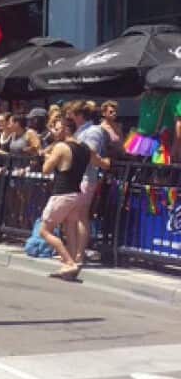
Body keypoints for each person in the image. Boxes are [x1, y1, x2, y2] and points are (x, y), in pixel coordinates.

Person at [38, 113, 90, 281]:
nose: (54, 131)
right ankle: (73, 265)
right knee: (70, 229)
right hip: (77, 193)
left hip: (62, 193)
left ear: (67, 129)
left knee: (45, 231)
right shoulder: (84, 148)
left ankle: (68, 262)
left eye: (58, 128)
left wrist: (46, 156)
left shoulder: (61, 147)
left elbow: (46, 169)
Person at [69, 101, 111, 267]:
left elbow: (90, 153)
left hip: (86, 177)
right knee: (73, 215)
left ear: (79, 115)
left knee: (81, 215)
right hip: (75, 176)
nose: (70, 117)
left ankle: (79, 254)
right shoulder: (80, 131)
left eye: (72, 114)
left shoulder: (93, 131)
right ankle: (73, 252)